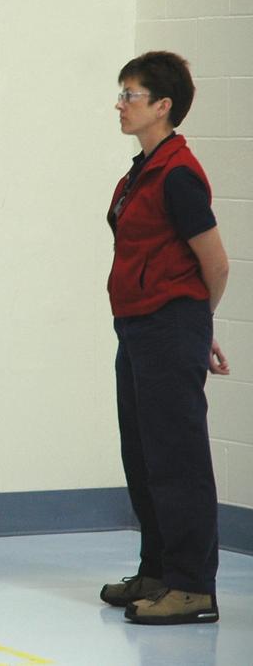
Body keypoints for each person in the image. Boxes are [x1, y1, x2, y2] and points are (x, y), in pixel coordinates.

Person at [99, 50, 230, 625]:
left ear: (163, 106)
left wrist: (197, 327)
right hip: (138, 328)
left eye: (130, 95)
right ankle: (156, 571)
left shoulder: (177, 174)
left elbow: (216, 263)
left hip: (169, 324)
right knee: (144, 454)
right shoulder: (142, 170)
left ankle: (192, 586)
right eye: (122, 94)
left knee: (177, 458)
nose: (120, 105)